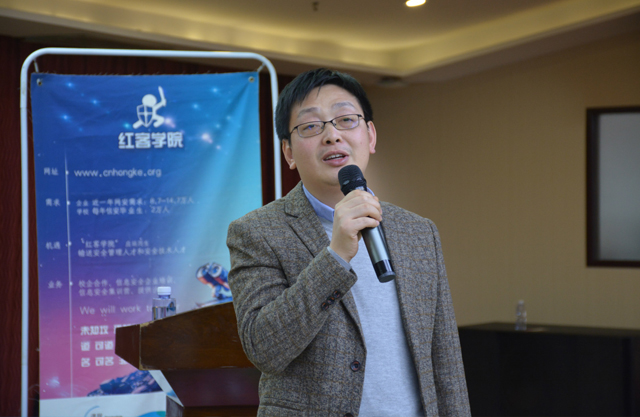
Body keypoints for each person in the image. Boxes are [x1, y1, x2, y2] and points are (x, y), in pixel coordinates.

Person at [227, 68, 471, 417]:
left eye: (345, 120)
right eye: (311, 126)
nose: (332, 136)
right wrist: (336, 256)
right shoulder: (256, 232)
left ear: (370, 136)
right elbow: (264, 349)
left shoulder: (419, 232)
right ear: (289, 152)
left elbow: (445, 357)